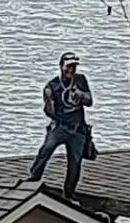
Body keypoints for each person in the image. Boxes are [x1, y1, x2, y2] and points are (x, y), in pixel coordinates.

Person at [27, 52, 93, 200]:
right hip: (60, 126)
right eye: (69, 66)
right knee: (46, 150)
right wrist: (49, 100)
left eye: (74, 66)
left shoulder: (81, 80)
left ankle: (69, 193)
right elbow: (49, 112)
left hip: (78, 129)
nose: (72, 70)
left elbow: (89, 101)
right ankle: (33, 179)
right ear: (61, 66)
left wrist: (80, 95)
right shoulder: (53, 85)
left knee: (75, 163)